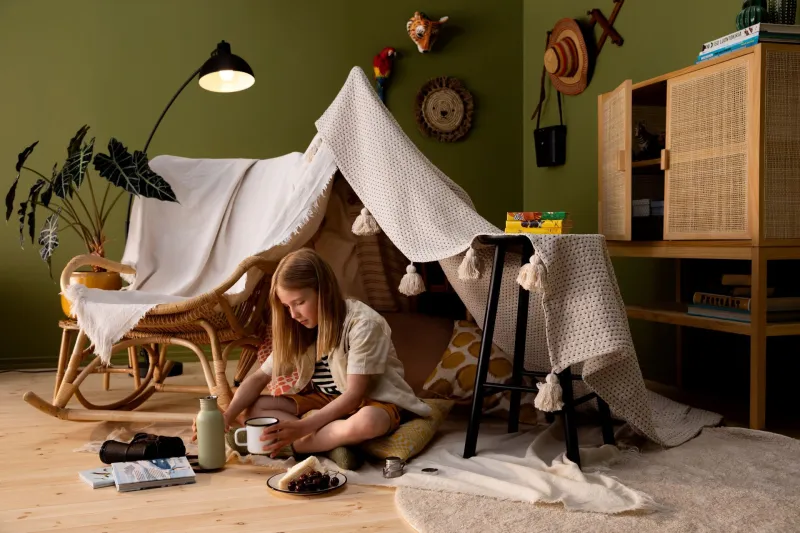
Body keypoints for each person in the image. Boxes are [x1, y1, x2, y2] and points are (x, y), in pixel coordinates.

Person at [193, 247, 431, 470]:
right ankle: (333, 445)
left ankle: (297, 445)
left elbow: (353, 395)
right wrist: (227, 415)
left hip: (370, 401)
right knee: (254, 407)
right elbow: (258, 378)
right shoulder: (299, 327)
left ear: (323, 291)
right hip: (326, 399)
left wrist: (301, 428)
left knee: (368, 421)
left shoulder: (363, 325)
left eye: (299, 303)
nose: (293, 314)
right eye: (287, 306)